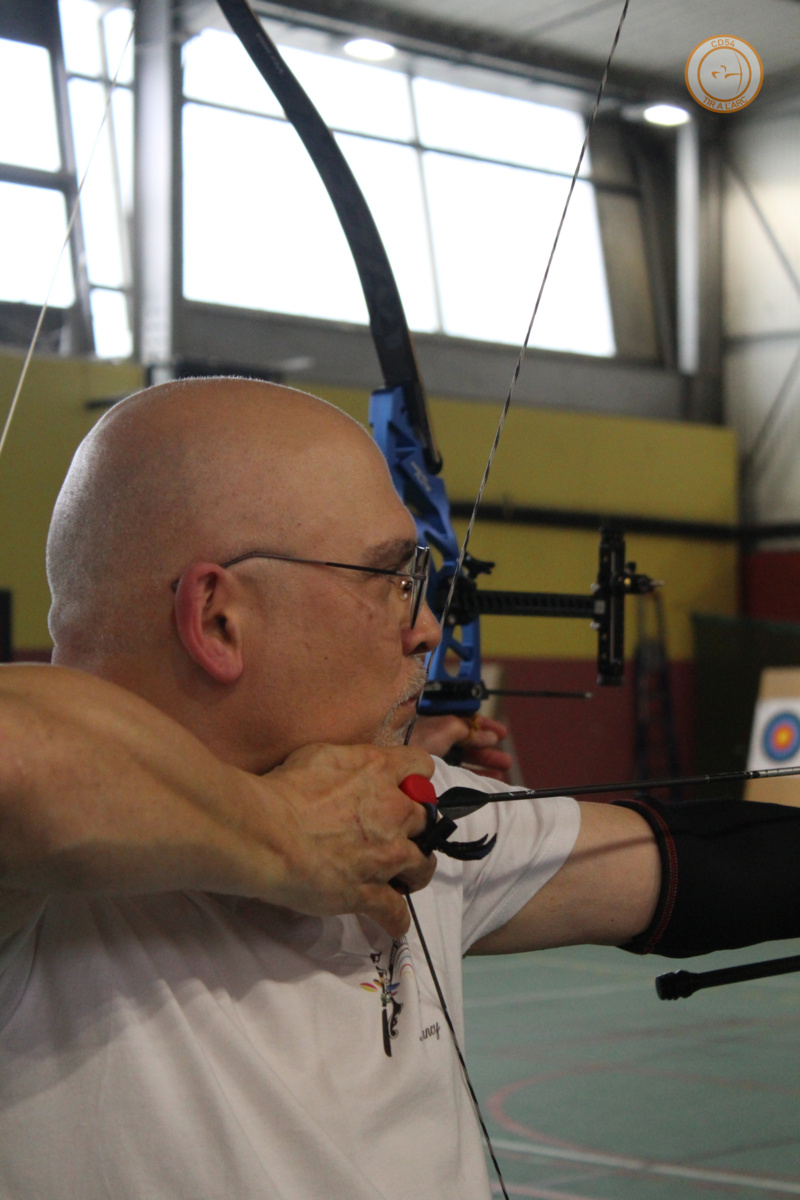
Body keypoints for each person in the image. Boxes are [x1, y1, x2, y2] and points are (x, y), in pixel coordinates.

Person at [0, 378, 794, 1199]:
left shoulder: (391, 811)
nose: (424, 628)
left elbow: (702, 866)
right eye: (389, 577)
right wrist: (284, 831)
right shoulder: (38, 909)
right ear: (218, 620)